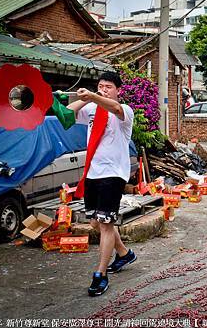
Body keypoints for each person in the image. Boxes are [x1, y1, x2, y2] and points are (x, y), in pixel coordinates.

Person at [67, 71, 136, 297]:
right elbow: (67, 114)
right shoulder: (91, 109)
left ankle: (100, 274)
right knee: (97, 223)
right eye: (100, 86)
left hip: (113, 173)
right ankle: (124, 253)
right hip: (93, 173)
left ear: (118, 90)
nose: (103, 89)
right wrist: (78, 97)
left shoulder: (124, 111)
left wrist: (95, 97)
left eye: (108, 86)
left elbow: (114, 109)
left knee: (106, 224)